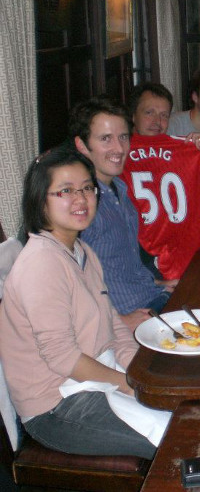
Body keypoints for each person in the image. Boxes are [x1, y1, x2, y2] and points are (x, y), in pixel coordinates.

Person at [0, 146, 160, 459]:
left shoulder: (82, 252)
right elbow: (63, 358)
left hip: (94, 379)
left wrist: (139, 373)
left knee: (182, 410)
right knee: (174, 440)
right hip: (57, 404)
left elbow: (113, 324)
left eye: (87, 188)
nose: (81, 199)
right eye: (65, 191)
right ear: (41, 201)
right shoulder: (41, 263)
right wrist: (128, 383)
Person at [73, 97, 173, 331]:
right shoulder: (81, 205)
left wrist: (159, 283)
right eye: (106, 139)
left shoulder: (119, 188)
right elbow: (70, 285)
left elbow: (122, 264)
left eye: (123, 137)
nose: (119, 148)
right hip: (125, 320)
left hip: (152, 297)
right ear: (82, 145)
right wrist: (118, 322)